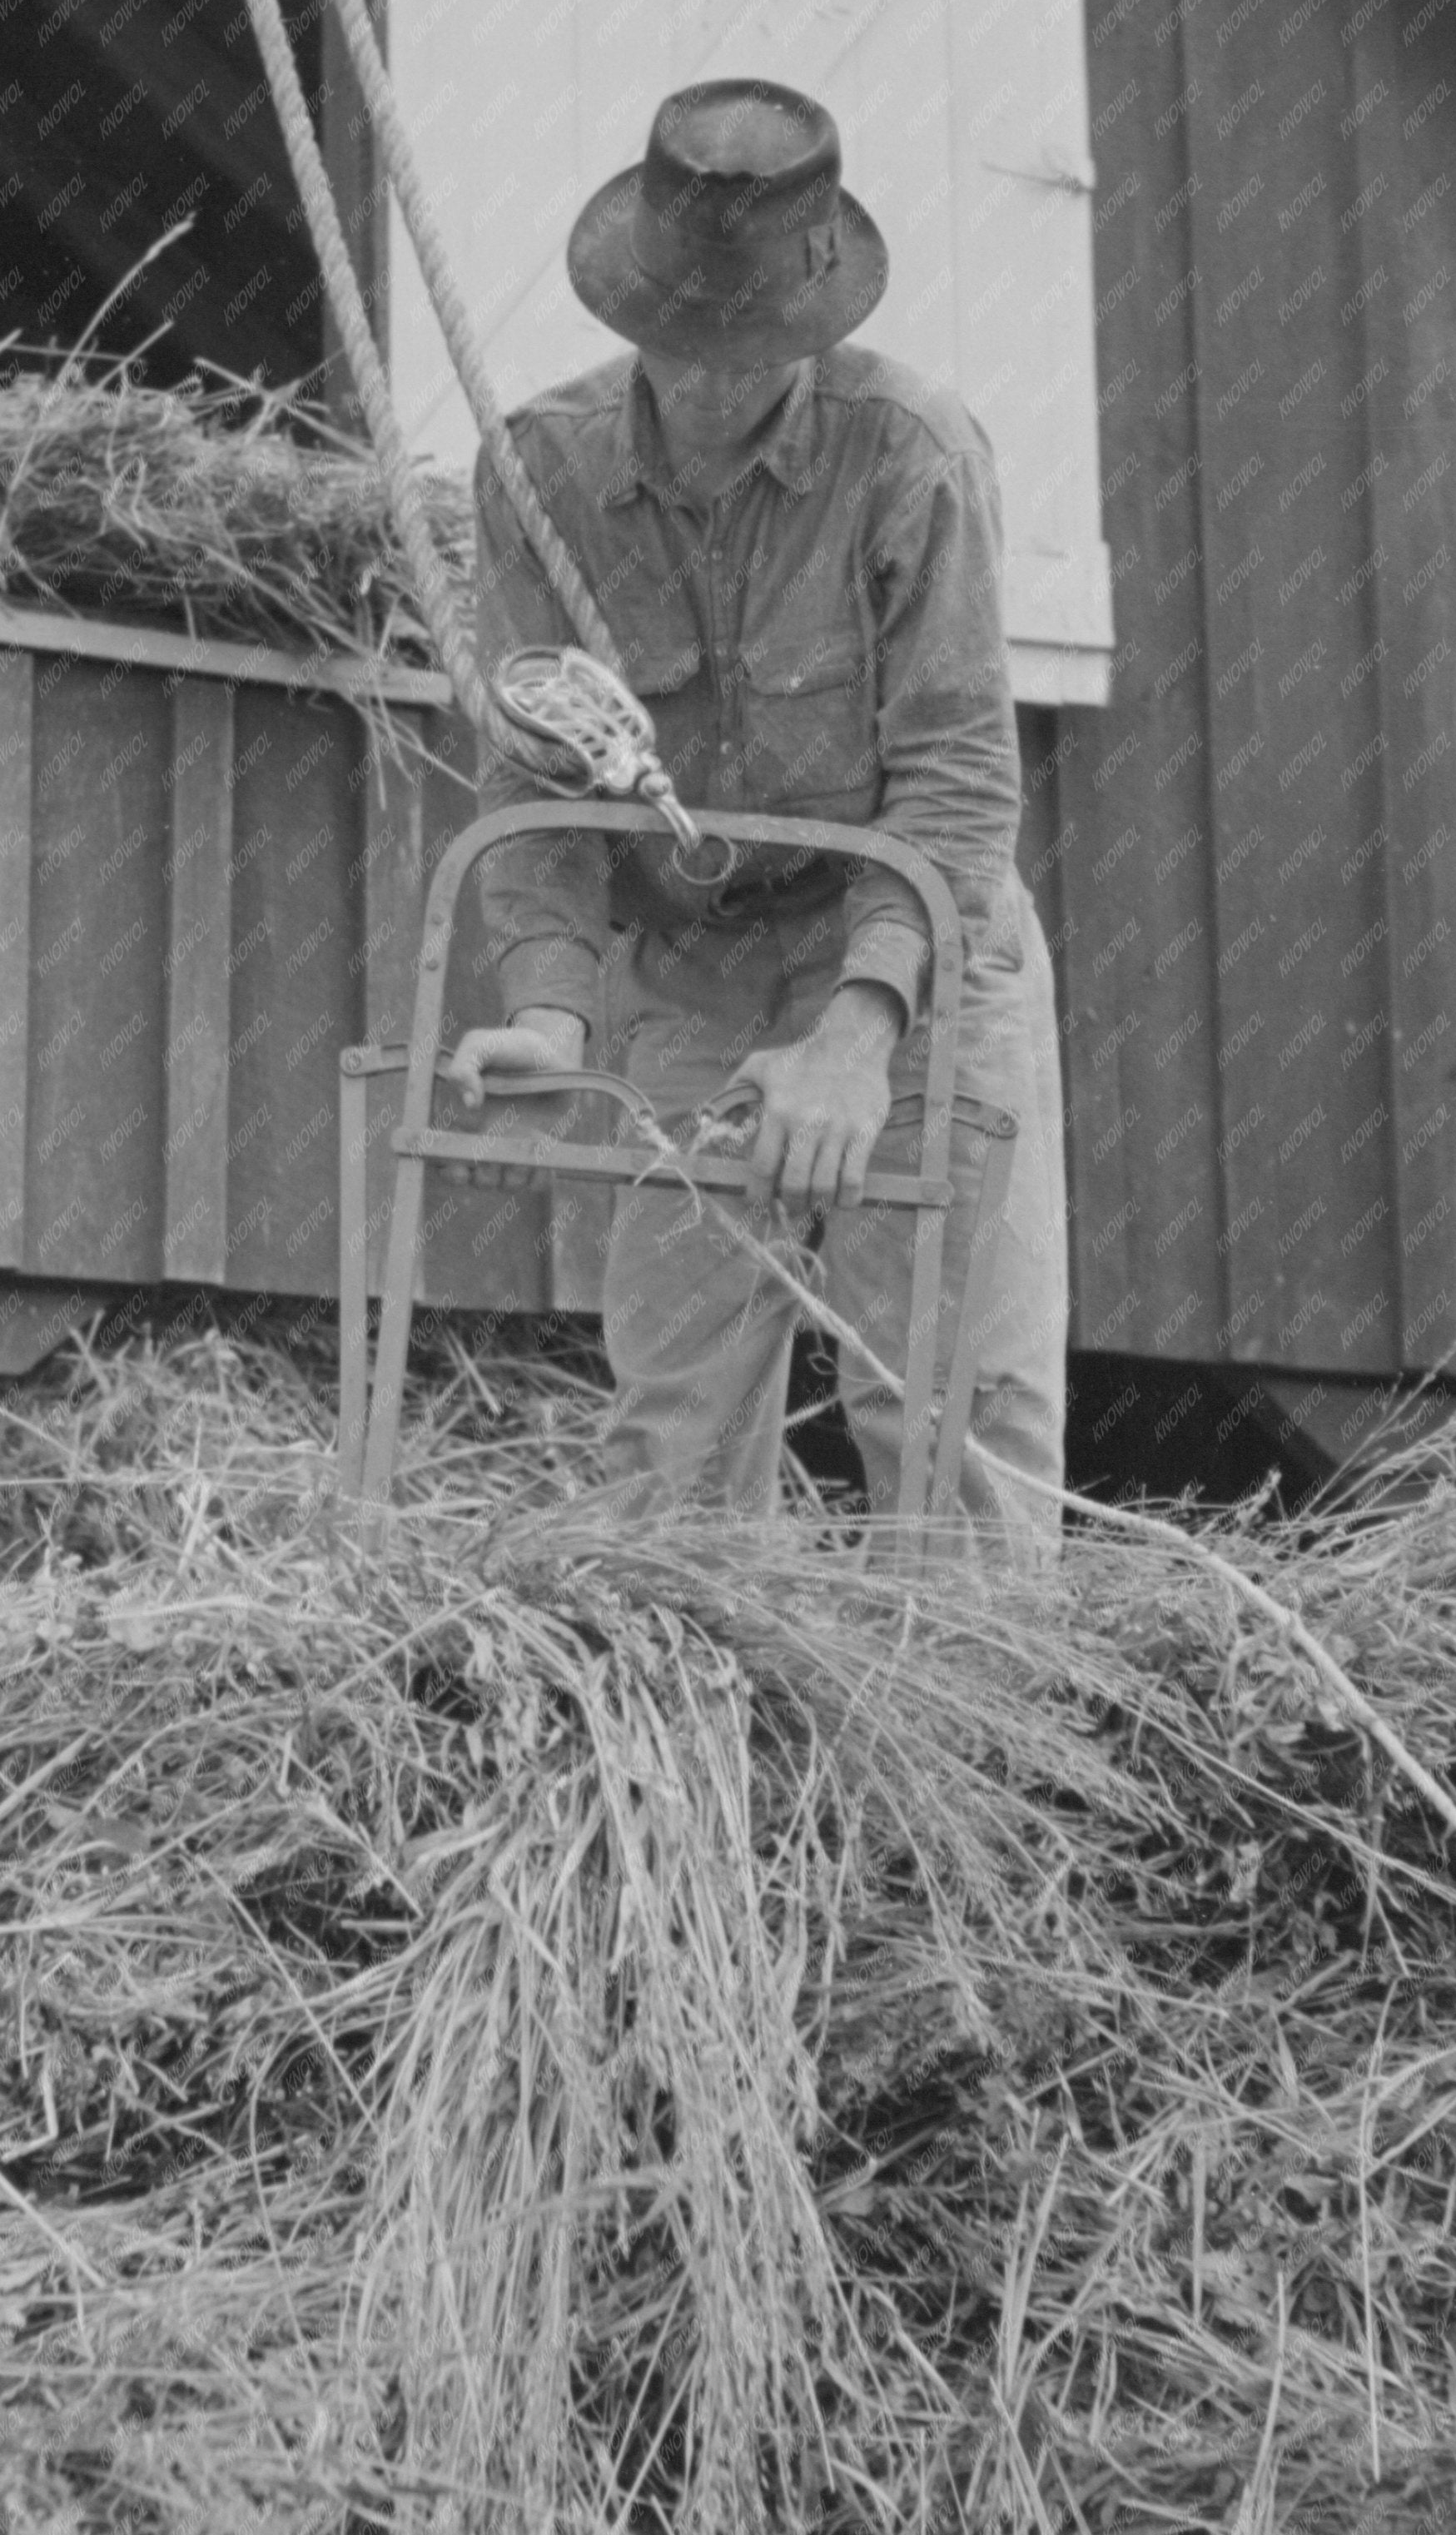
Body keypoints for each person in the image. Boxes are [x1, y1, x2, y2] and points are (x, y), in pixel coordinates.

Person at [447, 79, 1066, 1553]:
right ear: (632, 311)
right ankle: (703, 1767)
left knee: (948, 1413)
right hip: (690, 966)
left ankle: (981, 1753)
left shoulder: (913, 452)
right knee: (673, 1431)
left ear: (817, 318)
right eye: (688, 344)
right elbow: (539, 768)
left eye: (758, 349)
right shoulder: (538, 474)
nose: (719, 381)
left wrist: (860, 1034)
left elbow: (959, 776)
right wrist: (549, 1013)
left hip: (911, 945)